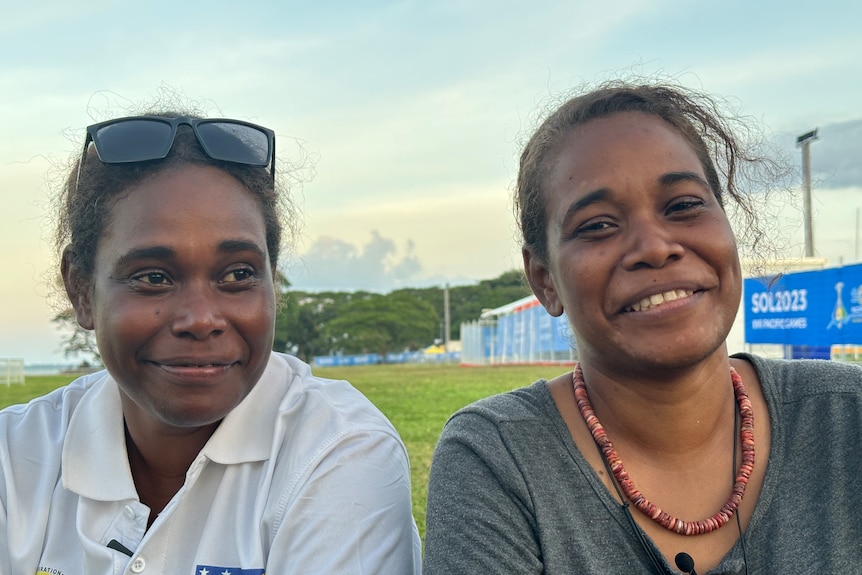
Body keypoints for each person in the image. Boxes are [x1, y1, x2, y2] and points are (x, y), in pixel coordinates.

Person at [423, 81, 862, 574]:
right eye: (597, 225)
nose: (655, 247)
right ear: (545, 280)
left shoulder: (847, 416)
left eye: (683, 205)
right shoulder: (497, 459)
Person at [0, 113, 422, 574]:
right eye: (153, 278)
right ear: (81, 289)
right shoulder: (15, 459)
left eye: (238, 274)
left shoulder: (336, 450)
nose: (201, 319)